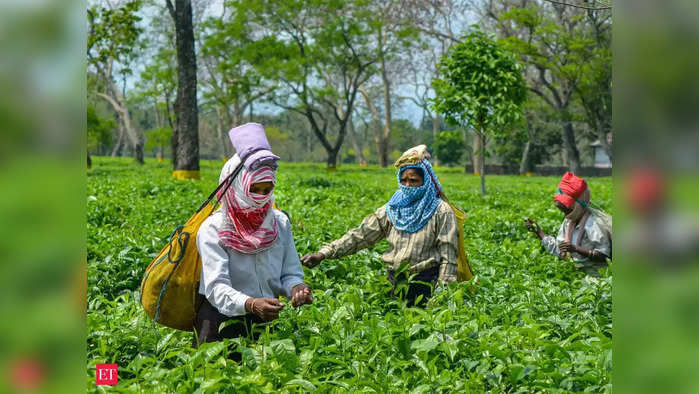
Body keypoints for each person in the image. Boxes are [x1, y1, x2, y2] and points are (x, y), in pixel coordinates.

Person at [194, 123, 312, 347]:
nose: (260, 197)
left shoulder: (279, 222)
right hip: (219, 323)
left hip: (265, 320)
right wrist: (249, 303)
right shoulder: (214, 228)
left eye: (266, 190)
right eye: (254, 190)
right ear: (237, 187)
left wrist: (296, 289)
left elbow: (289, 273)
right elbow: (216, 287)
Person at [301, 145, 459, 306]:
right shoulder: (392, 209)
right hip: (394, 283)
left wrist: (441, 296)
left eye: (414, 180)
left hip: (426, 285)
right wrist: (323, 254)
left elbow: (449, 258)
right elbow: (360, 235)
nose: (408, 185)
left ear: (426, 181)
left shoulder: (441, 211)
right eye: (403, 180)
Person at [525, 172, 612, 276]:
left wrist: (576, 249)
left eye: (566, 209)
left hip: (596, 278)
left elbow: (604, 256)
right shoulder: (569, 221)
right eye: (563, 210)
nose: (565, 214)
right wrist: (539, 232)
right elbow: (560, 250)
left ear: (577, 205)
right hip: (574, 274)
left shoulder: (594, 224)